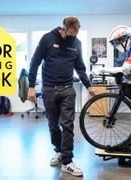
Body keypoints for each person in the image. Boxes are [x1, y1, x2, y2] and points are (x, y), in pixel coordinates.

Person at [28, 16, 95, 177]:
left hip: (67, 90)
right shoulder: (47, 39)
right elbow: (35, 62)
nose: (74, 38)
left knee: (67, 125)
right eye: (71, 34)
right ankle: (59, 151)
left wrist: (88, 86)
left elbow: (80, 68)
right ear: (63, 29)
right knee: (53, 125)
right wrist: (31, 87)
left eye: (76, 34)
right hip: (49, 89)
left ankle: (67, 161)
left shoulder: (76, 43)